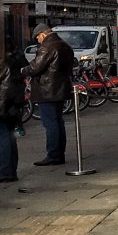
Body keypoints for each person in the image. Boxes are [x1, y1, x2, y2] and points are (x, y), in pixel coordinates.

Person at [22, 24, 74, 166]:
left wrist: (22, 71)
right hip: (61, 89)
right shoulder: (65, 46)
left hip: (47, 91)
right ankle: (59, 154)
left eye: (37, 37)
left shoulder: (47, 47)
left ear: (43, 34)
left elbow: (35, 67)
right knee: (58, 122)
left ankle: (53, 155)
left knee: (50, 123)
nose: (37, 41)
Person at [0, 47, 26, 181]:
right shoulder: (15, 57)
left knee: (4, 138)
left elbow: (5, 88)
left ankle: (5, 172)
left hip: (5, 106)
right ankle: (10, 171)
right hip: (13, 104)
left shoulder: (4, 63)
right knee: (9, 137)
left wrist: (2, 108)